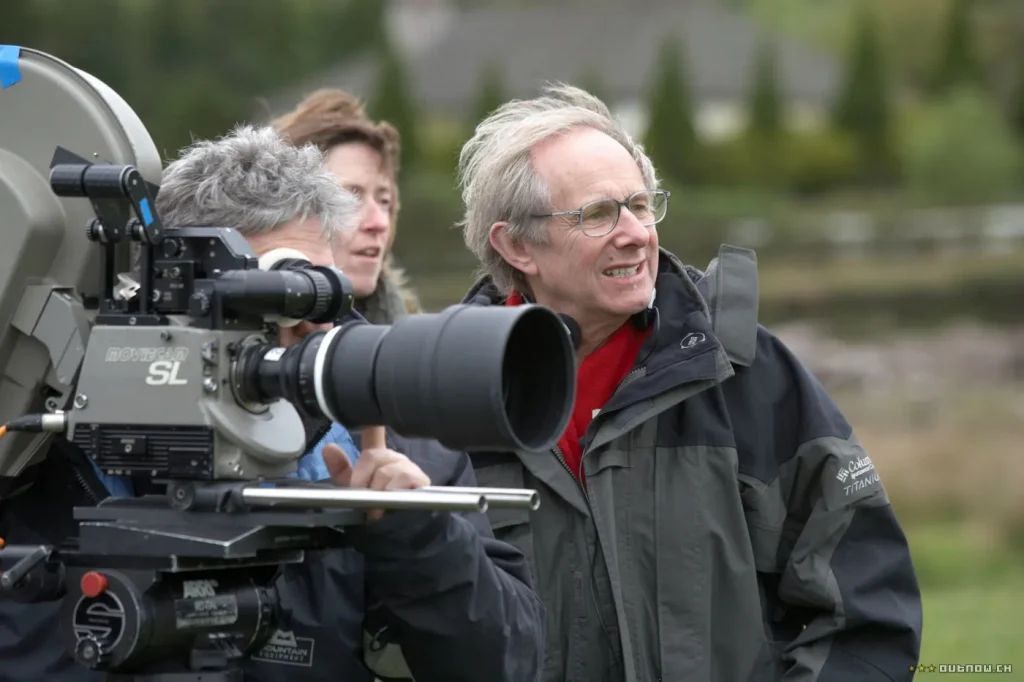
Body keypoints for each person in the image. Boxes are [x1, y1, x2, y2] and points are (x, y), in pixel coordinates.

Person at [0, 125, 544, 682]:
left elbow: (507, 663)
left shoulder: (394, 454)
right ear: (172, 296)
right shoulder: (40, 457)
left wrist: (413, 534)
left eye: (318, 288)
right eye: (275, 293)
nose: (307, 315)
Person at [455, 84, 923, 682]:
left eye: (641, 205)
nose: (636, 233)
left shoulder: (740, 373)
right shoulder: (450, 400)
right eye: (598, 214)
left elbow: (869, 611)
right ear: (517, 245)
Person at [271, 88, 422, 326]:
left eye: (384, 202)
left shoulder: (413, 338)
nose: (379, 223)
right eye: (349, 198)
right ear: (285, 209)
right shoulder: (224, 330)